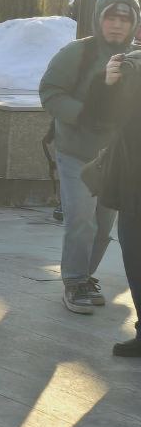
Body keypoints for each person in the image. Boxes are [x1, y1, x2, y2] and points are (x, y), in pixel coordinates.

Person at [40, 0, 139, 314]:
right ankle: (74, 281)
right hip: (76, 152)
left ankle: (85, 276)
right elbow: (50, 92)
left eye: (125, 19)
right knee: (81, 219)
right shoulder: (77, 53)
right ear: (99, 19)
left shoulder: (136, 57)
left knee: (103, 224)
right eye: (111, 17)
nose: (117, 25)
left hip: (114, 159)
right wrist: (81, 114)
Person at [79, 34, 141, 356]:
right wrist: (109, 85)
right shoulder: (132, 66)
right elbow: (100, 120)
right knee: (133, 251)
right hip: (133, 180)